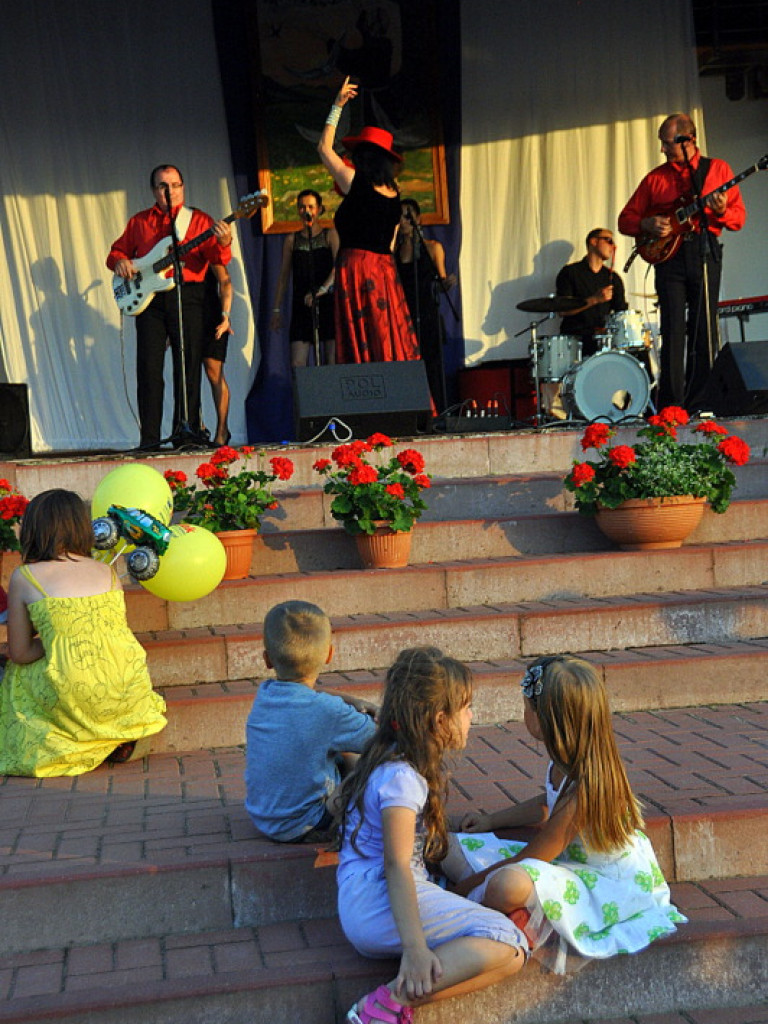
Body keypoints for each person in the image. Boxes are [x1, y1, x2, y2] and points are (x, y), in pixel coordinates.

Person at [444, 655, 687, 975]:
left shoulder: (587, 788)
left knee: (507, 884)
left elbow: (535, 855)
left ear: (548, 720)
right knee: (446, 846)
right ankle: (519, 912)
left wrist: (455, 897)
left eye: (528, 709)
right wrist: (492, 821)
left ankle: (521, 916)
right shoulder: (567, 759)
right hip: (563, 864)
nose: (524, 714)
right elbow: (546, 802)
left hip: (599, 882)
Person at [337, 646, 527, 1024]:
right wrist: (416, 949)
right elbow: (395, 865)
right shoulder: (402, 779)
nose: (472, 716)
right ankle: (385, 1004)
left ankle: (395, 1007)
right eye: (466, 707)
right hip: (377, 905)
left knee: (513, 954)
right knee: (509, 941)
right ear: (440, 720)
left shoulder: (387, 757)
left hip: (365, 898)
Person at [0, 489, 167, 777]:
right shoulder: (109, 573)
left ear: (32, 530)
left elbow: (21, 652)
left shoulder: (25, 577)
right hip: (126, 685)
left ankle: (60, 738)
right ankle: (113, 734)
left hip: (73, 688)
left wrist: (58, 642)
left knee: (16, 672)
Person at [618, 114, 746, 410]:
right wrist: (648, 224)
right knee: (672, 328)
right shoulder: (655, 178)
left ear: (688, 140)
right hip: (669, 257)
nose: (662, 149)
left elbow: (738, 219)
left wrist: (723, 211)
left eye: (666, 143)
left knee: (704, 328)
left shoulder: (717, 169)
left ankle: (702, 401)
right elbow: (625, 219)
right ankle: (671, 405)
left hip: (704, 248)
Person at [107, 164, 233, 449]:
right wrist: (120, 261)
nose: (170, 191)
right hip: (151, 300)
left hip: (189, 295)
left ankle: (185, 432)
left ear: (183, 187)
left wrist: (225, 241)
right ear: (154, 191)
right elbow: (116, 252)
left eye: (176, 185)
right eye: (164, 186)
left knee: (187, 365)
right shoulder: (139, 222)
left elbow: (217, 257)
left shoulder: (199, 221)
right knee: (149, 367)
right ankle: (149, 438)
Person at [244, 600, 377, 844]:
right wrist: (379, 713)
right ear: (329, 654)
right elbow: (380, 739)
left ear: (267, 659)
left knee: (339, 747)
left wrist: (348, 699)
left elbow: (308, 700)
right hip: (308, 824)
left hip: (265, 819)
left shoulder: (265, 694)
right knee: (378, 764)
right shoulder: (328, 712)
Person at [317, 76, 421, 366]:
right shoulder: (394, 194)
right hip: (383, 271)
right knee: (386, 334)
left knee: (361, 336)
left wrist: (337, 106)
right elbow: (390, 241)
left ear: (362, 157)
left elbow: (324, 149)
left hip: (357, 267)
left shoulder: (354, 181)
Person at [395, 199, 456, 411]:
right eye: (400, 216)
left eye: (407, 216)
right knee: (405, 368)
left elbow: (440, 282)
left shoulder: (432, 247)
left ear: (418, 219)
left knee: (432, 366)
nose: (404, 221)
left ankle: (438, 411)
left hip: (427, 313)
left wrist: (446, 283)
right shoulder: (393, 250)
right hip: (402, 316)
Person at [270, 190, 339, 368]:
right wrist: (276, 309)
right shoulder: (292, 240)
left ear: (320, 209)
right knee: (297, 363)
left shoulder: (330, 235)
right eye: (302, 207)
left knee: (332, 360)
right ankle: (304, 395)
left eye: (310, 206)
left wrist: (323, 289)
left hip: (327, 302)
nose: (306, 210)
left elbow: (339, 266)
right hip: (302, 304)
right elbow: (283, 276)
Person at [555, 228, 627, 357]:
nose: (613, 246)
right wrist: (595, 299)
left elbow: (620, 313)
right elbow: (563, 310)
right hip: (576, 339)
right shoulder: (570, 272)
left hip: (604, 339)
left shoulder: (613, 278)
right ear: (594, 241)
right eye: (609, 241)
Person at [202, 263, 234, 446]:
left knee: (214, 372)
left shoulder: (208, 247)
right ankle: (195, 426)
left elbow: (226, 282)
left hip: (212, 314)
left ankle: (222, 429)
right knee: (188, 372)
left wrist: (225, 316)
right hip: (187, 314)